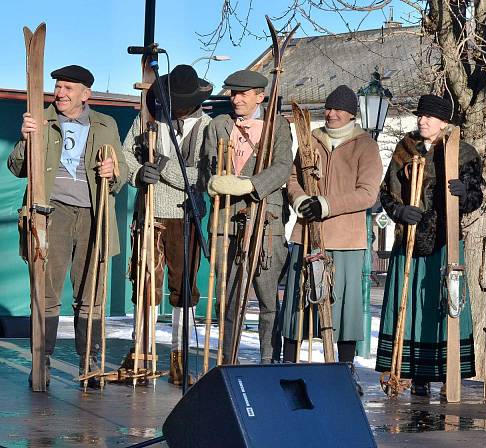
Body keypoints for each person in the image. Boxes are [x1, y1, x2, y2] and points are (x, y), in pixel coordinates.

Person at [8, 65, 129, 389]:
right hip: (52, 213)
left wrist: (112, 171)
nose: (60, 93)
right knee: (45, 294)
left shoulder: (106, 124)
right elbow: (17, 167)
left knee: (90, 295)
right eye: (58, 87)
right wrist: (24, 139)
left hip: (93, 215)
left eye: (67, 88)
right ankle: (41, 361)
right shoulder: (40, 120)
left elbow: (123, 173)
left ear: (85, 94)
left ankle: (89, 361)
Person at [375, 94, 484, 396]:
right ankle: (413, 373)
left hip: (445, 241)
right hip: (408, 240)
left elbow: (476, 198)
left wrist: (465, 193)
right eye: (420, 116)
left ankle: (448, 370)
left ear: (443, 121)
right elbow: (386, 192)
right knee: (409, 307)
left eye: (428, 117)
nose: (422, 121)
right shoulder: (405, 149)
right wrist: (398, 211)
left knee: (443, 304)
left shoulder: (462, 153)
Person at [280, 85, 383, 376]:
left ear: (351, 114)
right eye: (328, 108)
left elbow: (367, 194)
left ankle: (344, 370)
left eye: (338, 109)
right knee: (298, 304)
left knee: (343, 308)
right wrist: (301, 200)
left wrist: (325, 204)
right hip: (306, 233)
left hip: (345, 239)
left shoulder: (365, 145)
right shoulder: (310, 140)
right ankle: (289, 365)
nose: (331, 114)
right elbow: (292, 177)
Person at [120, 64, 213, 385]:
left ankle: (179, 355)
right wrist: (137, 173)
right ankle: (140, 351)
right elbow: (126, 155)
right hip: (148, 212)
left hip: (184, 216)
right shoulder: (147, 121)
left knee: (183, 288)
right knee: (145, 284)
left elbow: (202, 175)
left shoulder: (208, 127)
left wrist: (161, 165)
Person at [202, 69, 293, 364]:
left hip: (266, 223)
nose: (235, 98)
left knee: (268, 301)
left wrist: (250, 185)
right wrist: (213, 181)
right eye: (233, 92)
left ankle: (268, 359)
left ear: (260, 96)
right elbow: (207, 167)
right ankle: (228, 359)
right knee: (227, 299)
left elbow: (282, 167)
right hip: (226, 223)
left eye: (242, 93)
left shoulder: (277, 126)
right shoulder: (218, 125)